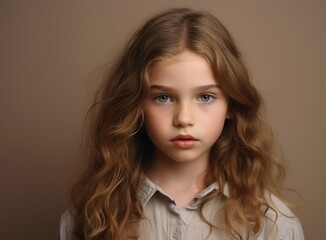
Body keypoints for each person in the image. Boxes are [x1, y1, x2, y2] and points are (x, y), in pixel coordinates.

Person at [59, 8, 304, 240]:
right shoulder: (91, 217)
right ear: (136, 104)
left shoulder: (273, 225)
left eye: (205, 97)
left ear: (231, 104)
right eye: (163, 97)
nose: (184, 118)